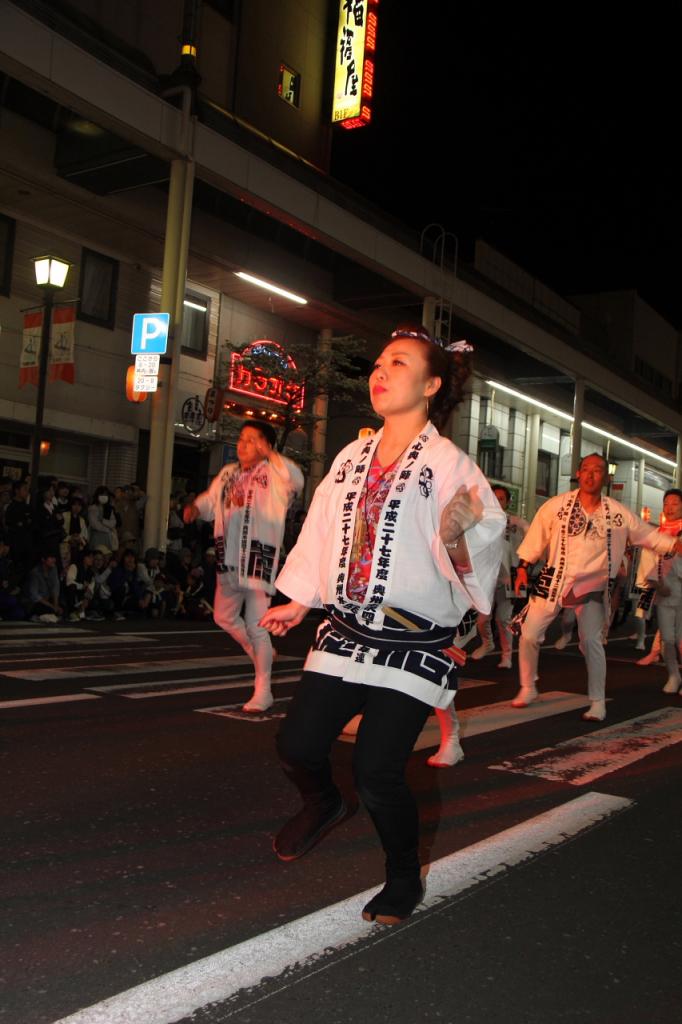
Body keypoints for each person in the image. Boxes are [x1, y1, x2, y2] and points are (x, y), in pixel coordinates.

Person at [260, 325, 505, 925]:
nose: (380, 371)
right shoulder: (351, 456)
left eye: (397, 362)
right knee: (295, 746)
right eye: (377, 363)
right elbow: (322, 527)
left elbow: (483, 535)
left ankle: (403, 876)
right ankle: (324, 803)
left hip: (413, 641)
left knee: (376, 771)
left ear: (431, 384)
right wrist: (300, 598)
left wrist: (459, 532)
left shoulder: (449, 464)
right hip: (346, 631)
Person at [512, 454, 682, 721]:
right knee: (529, 634)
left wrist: (673, 544)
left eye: (598, 470)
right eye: (586, 469)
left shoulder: (617, 513)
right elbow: (536, 537)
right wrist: (523, 567)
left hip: (592, 584)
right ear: (578, 474)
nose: (591, 475)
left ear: (606, 477)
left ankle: (597, 701)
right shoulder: (556, 506)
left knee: (591, 641)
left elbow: (648, 535)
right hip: (555, 580)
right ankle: (528, 686)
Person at [184, 421, 303, 711]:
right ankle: (257, 651)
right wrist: (197, 508)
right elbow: (211, 500)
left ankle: (263, 690)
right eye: (242, 438)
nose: (243, 444)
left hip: (258, 557)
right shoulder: (229, 473)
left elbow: (296, 480)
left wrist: (271, 455)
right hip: (228, 557)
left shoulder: (274, 473)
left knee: (256, 624)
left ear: (266, 445)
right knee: (222, 616)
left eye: (252, 440)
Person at [470, 484, 529, 668]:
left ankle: (507, 655)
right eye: (493, 498)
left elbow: (529, 531)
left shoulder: (514, 522)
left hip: (509, 576)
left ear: (508, 502)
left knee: (503, 618)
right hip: (486, 576)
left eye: (501, 499)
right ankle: (487, 643)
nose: (496, 502)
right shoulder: (480, 521)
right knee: (481, 619)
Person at [633, 488, 682, 692]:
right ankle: (673, 675)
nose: (669, 508)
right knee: (667, 639)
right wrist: (654, 584)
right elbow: (648, 564)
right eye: (666, 504)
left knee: (680, 640)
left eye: (675, 504)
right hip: (663, 593)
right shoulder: (657, 534)